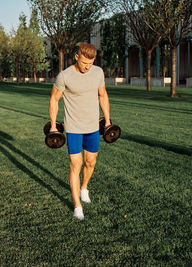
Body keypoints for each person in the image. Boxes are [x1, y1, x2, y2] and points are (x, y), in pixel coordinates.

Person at [49, 43, 111, 220]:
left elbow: (103, 95)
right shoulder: (65, 76)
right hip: (74, 128)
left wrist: (107, 121)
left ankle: (84, 187)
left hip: (92, 126)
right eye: (84, 63)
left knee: (90, 162)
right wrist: (53, 125)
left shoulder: (98, 72)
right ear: (77, 57)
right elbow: (54, 99)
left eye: (90, 63)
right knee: (76, 164)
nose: (87, 67)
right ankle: (77, 206)